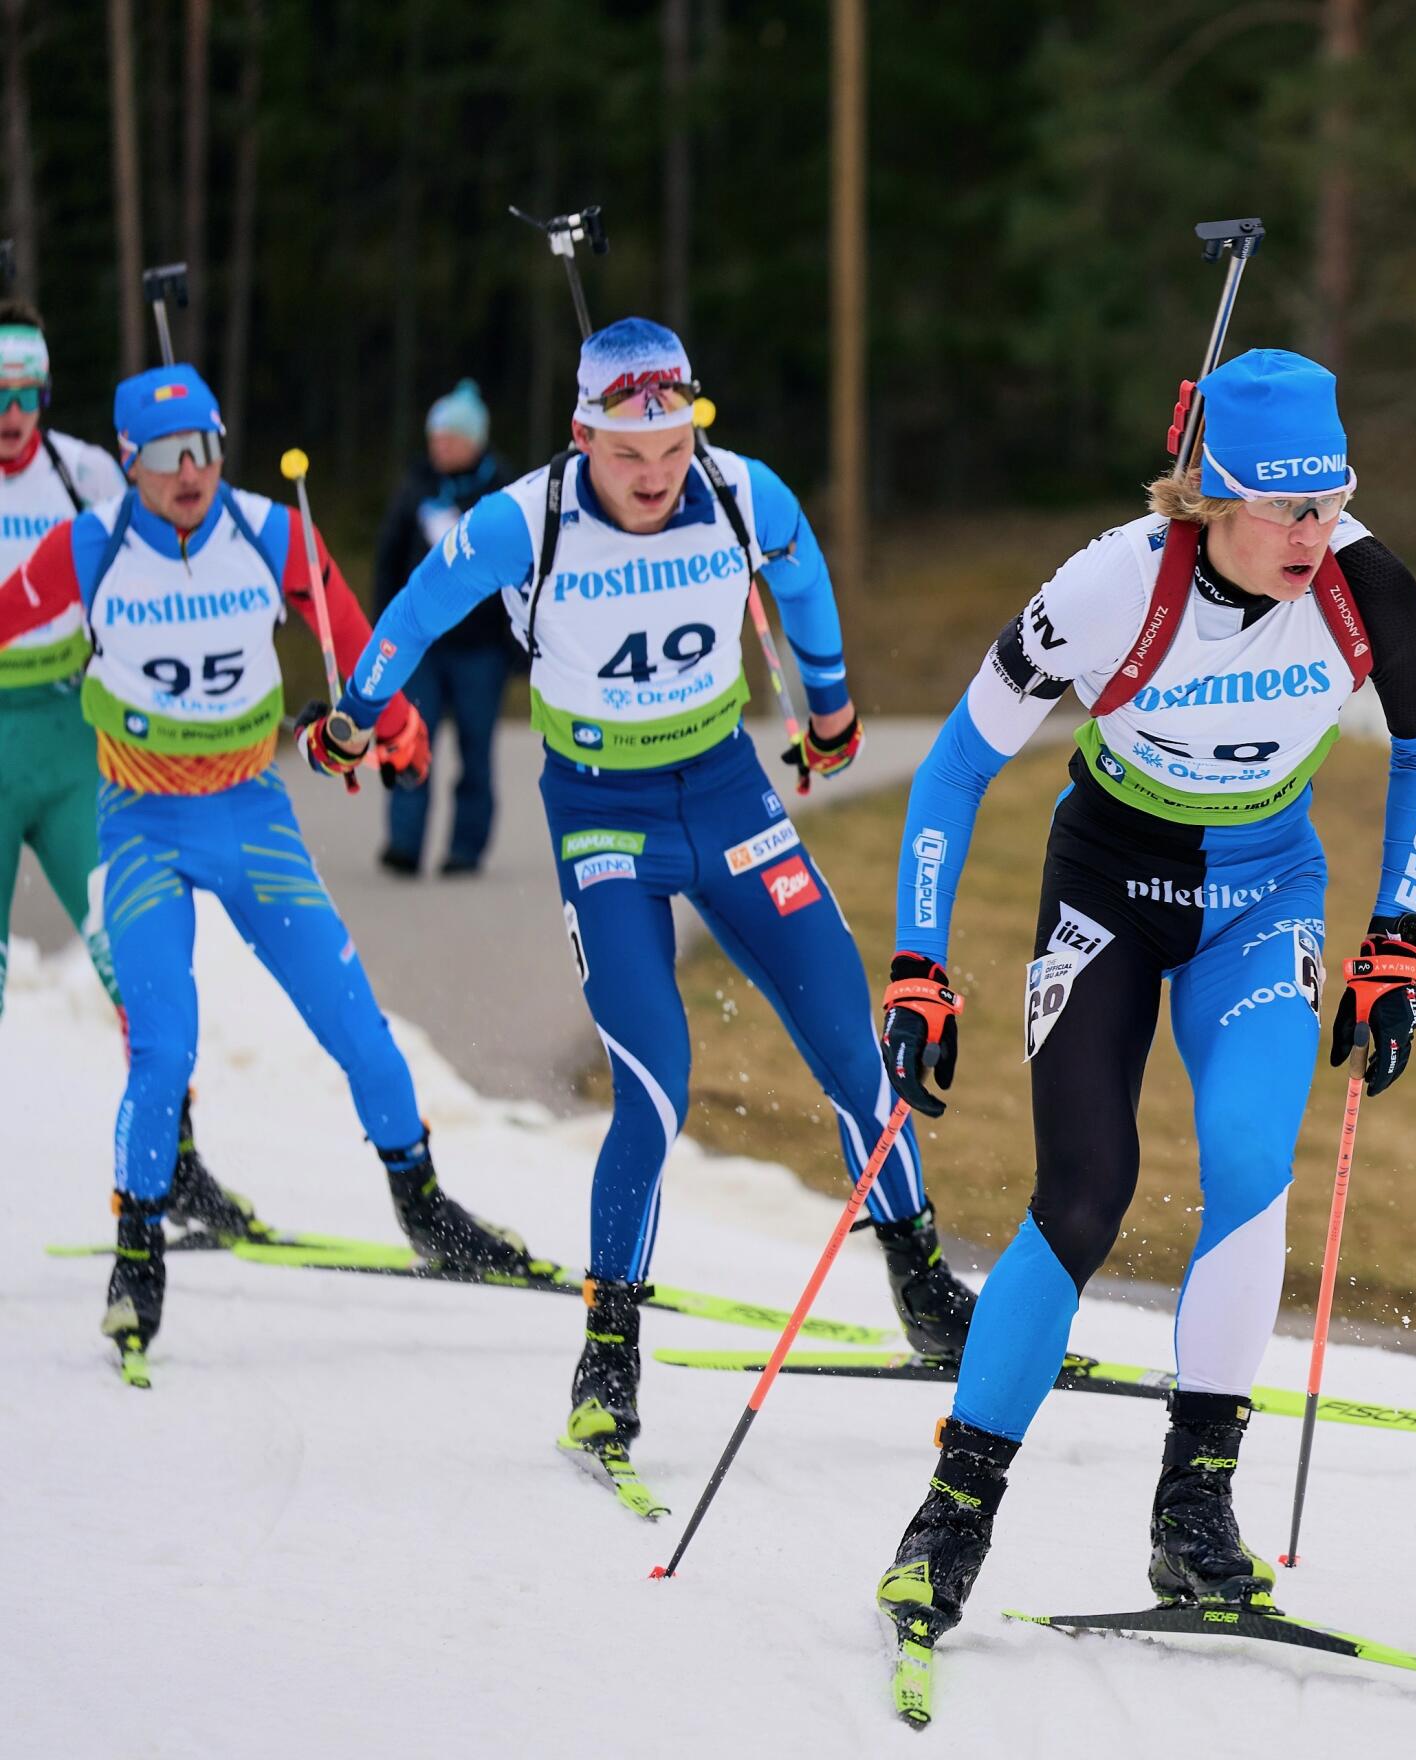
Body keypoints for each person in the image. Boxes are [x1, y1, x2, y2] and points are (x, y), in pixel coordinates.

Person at [311, 317, 975, 1468]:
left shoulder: (739, 489)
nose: (656, 474)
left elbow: (801, 566)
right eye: (629, 454)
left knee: (854, 1050)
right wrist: (358, 713)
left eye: (672, 449)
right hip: (602, 813)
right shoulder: (527, 517)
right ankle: (608, 1351)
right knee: (655, 1082)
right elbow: (416, 607)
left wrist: (828, 707)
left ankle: (922, 1283)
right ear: (583, 438)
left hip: (728, 799)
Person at [873, 350, 1416, 1658]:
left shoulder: (1366, 587)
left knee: (1250, 1163)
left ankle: (1195, 1510)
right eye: (1286, 508)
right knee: (1084, 1197)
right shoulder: (1110, 586)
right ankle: (953, 1512)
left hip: (1265, 895)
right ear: (1212, 496)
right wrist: (918, 961)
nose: (1314, 532)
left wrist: (1398, 937)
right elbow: (954, 768)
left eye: (1331, 501)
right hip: (1109, 890)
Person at [0, 362, 531, 1372]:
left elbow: (352, 636)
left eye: (203, 447)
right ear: (128, 462)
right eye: (165, 455)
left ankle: (424, 1205)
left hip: (252, 817)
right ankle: (138, 1254)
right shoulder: (90, 544)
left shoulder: (271, 532)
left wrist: (397, 725)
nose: (188, 472)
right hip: (139, 825)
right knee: (163, 1048)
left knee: (356, 1025)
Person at [0, 300, 244, 1237]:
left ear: (46, 394)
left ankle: (174, 1168)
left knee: (132, 965)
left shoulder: (87, 472)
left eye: (27, 395)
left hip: (73, 743)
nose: (12, 414)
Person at [374, 379, 524, 876]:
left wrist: (517, 646)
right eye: (435, 437)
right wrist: (383, 634)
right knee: (409, 740)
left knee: (475, 751)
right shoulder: (415, 486)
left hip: (482, 650)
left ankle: (466, 849)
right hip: (421, 647)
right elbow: (388, 561)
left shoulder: (502, 492)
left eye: (451, 438)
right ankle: (404, 842)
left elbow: (522, 573)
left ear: (474, 440)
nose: (440, 446)